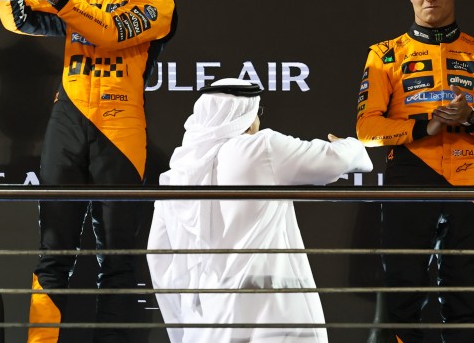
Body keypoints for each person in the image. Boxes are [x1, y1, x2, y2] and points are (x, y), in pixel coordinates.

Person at [0, 0, 177, 342]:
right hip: (68, 118)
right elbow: (18, 18)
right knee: (54, 249)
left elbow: (110, 33)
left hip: (121, 123)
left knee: (116, 255)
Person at [356, 0, 474, 343]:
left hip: (469, 179)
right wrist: (426, 127)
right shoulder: (385, 54)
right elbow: (366, 129)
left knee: (464, 296)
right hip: (408, 174)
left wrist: (471, 118)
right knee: (403, 294)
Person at [147, 78, 372, 342]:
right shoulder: (258, 148)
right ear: (249, 117)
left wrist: (181, 331)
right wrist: (350, 144)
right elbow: (337, 160)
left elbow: (160, 262)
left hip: (207, 325)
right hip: (274, 319)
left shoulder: (175, 176)